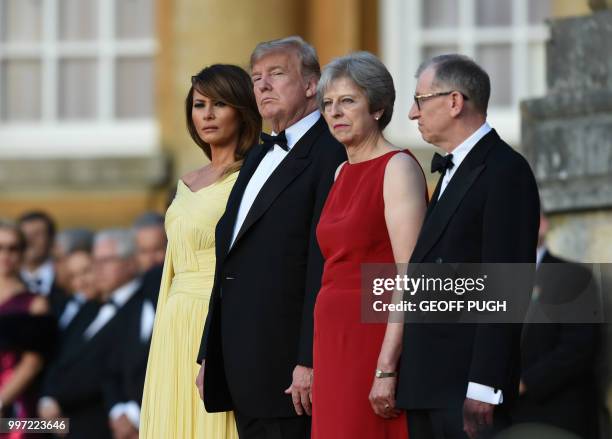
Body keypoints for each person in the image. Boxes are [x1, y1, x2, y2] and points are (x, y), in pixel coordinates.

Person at [196, 36, 346, 439]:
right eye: (256, 77)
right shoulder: (259, 155)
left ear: (312, 85)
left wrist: (308, 359)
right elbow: (230, 258)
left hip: (290, 373)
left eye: (276, 75)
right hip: (243, 367)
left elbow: (323, 263)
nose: (261, 86)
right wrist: (211, 351)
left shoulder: (333, 151)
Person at [395, 54, 540, 439]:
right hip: (427, 382)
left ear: (455, 102)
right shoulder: (453, 169)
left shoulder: (506, 170)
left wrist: (484, 385)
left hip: (465, 389)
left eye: (420, 100)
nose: (412, 113)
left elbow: (507, 285)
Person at [140, 63, 261, 439]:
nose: (207, 115)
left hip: (216, 317)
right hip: (174, 320)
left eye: (219, 104)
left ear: (242, 111)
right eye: (199, 105)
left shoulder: (254, 176)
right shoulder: (185, 181)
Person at [311, 52, 427, 438]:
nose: (334, 112)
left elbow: (410, 276)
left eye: (347, 101)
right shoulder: (341, 171)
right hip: (332, 336)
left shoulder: (397, 167)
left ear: (377, 107)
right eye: (327, 104)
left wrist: (387, 366)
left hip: (372, 334)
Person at [38, 229, 144, 439]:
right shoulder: (89, 308)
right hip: (57, 422)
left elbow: (106, 369)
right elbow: (61, 357)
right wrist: (47, 398)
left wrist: (58, 399)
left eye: (105, 262)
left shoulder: (138, 306)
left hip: (97, 422)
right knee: (13, 427)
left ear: (131, 262)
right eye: (95, 263)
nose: (96, 272)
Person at [511, 212, 600, 438]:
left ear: (543, 223)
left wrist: (524, 383)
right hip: (502, 419)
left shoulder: (574, 276)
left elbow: (579, 347)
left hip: (554, 416)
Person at [0, 220, 51, 436]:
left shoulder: (36, 303)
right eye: (0, 247)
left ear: (22, 253)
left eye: (13, 248)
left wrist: (2, 400)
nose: (6, 254)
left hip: (15, 402)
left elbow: (33, 362)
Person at [18, 211, 67, 318]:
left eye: (37, 234)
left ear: (51, 239)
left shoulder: (67, 277)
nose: (29, 241)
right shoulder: (7, 281)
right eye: (24, 235)